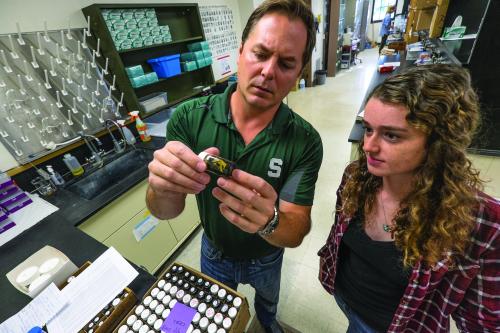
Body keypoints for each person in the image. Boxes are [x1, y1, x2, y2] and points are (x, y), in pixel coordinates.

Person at [147, 1, 322, 332]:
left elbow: (297, 229)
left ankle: (268, 324)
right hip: (213, 253)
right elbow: (165, 212)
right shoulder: (189, 118)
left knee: (268, 307)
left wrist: (270, 221)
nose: (268, 72)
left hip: (267, 256)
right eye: (260, 53)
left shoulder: (305, 140)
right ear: (240, 52)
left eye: (286, 63)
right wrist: (161, 185)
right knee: (197, 319)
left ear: (299, 73)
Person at [318, 64, 500, 332]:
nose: (368, 146)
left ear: (439, 143)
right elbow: (338, 238)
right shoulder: (356, 177)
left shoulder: (481, 223)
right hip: (344, 297)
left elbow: (483, 323)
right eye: (368, 129)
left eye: (391, 135)